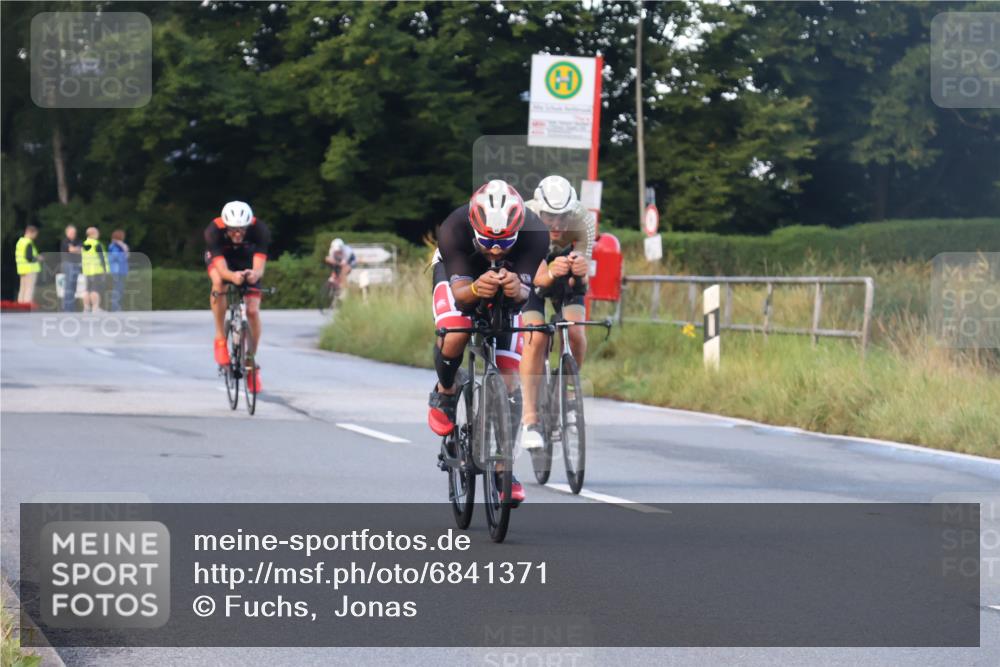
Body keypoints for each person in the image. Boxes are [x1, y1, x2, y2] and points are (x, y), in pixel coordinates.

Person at [429, 179, 549, 505]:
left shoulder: (536, 233)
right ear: (474, 226)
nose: (495, 250)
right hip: (459, 273)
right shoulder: (454, 227)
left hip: (510, 279)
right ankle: (445, 391)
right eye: (488, 241)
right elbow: (461, 297)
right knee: (456, 330)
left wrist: (516, 288)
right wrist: (474, 289)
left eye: (504, 242)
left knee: (509, 378)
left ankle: (503, 469)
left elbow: (524, 296)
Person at [518, 175, 597, 450]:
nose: (558, 224)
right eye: (550, 216)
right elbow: (535, 278)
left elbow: (582, 284)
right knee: (535, 336)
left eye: (563, 217)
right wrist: (551, 272)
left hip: (563, 271)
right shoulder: (525, 220)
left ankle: (568, 394)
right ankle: (530, 419)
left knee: (575, 332)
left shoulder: (583, 220)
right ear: (539, 210)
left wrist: (580, 273)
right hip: (531, 273)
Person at [205, 201, 270, 393]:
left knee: (253, 311)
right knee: (219, 283)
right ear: (226, 225)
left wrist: (253, 275)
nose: (238, 234)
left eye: (242, 229)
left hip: (246, 259)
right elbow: (222, 269)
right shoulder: (213, 231)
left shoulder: (260, 230)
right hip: (223, 260)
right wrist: (233, 277)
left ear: (249, 225)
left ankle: (250, 360)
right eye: (233, 230)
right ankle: (220, 337)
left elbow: (259, 268)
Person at [81, 227, 109, 313]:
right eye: (97, 233)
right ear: (92, 234)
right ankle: (95, 308)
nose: (98, 234)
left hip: (87, 270)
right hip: (96, 270)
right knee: (95, 289)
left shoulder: (84, 244)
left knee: (87, 289)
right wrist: (104, 269)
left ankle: (86, 308)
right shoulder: (96, 244)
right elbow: (101, 257)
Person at [15, 225, 42, 304]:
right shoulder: (28, 243)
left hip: (22, 269)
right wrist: (38, 258)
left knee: (22, 289)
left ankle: (20, 306)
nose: (35, 237)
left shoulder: (20, 242)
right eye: (35, 234)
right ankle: (27, 307)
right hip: (30, 269)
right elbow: (29, 257)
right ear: (30, 233)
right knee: (29, 289)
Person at [60, 225, 82, 311]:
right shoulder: (65, 241)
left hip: (76, 264)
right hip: (68, 264)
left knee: (74, 286)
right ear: (67, 233)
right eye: (71, 232)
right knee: (68, 286)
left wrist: (75, 249)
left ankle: (71, 307)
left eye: (74, 232)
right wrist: (77, 249)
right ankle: (67, 308)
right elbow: (71, 250)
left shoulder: (78, 241)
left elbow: (82, 250)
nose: (73, 234)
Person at [107, 229, 130, 312]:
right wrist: (124, 255)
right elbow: (115, 256)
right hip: (117, 270)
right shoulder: (114, 245)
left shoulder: (120, 245)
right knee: (117, 288)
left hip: (121, 269)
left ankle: (117, 306)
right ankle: (115, 306)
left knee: (120, 288)